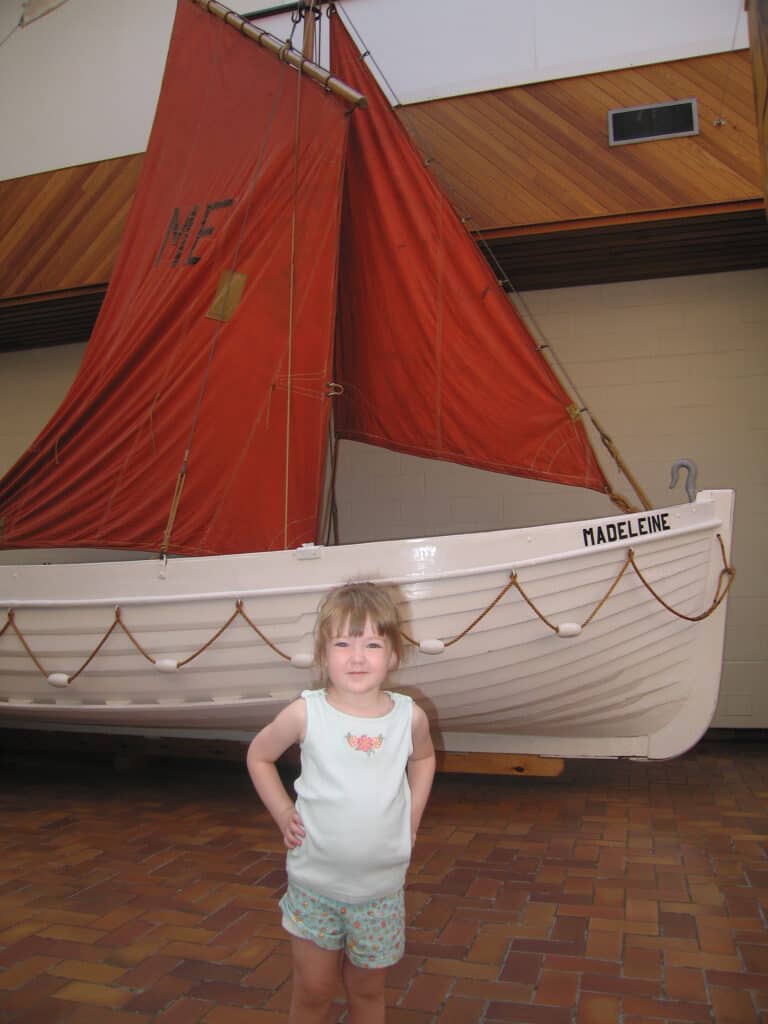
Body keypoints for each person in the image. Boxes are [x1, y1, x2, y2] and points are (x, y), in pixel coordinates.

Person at [247, 581, 436, 1024]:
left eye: (372, 643)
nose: (357, 656)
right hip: (315, 887)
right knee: (312, 992)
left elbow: (424, 760)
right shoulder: (305, 713)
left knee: (367, 993)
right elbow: (259, 755)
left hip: (380, 892)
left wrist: (412, 816)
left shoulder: (409, 718)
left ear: (392, 655)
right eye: (343, 643)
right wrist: (282, 813)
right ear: (322, 654)